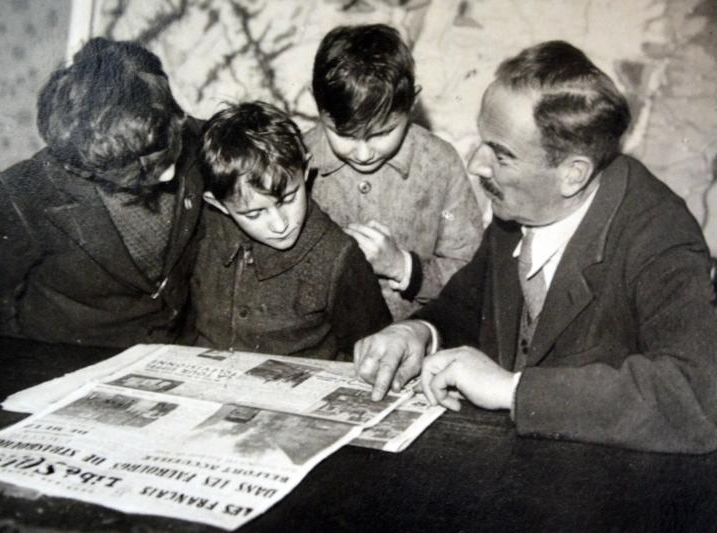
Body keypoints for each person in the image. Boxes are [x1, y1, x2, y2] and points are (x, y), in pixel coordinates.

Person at [354, 40, 717, 453]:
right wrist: (418, 332)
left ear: (573, 174)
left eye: (502, 155)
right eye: (483, 141)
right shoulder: (521, 208)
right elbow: (470, 305)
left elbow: (699, 394)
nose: (476, 164)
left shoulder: (660, 235)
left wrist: (513, 390)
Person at [0, 38, 204, 348]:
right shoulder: (23, 193)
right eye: (142, 166)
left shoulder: (188, 138)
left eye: (166, 150)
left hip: (171, 355)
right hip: (68, 359)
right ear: (88, 160)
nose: (168, 173)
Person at [304, 24, 483, 321]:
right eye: (344, 135)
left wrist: (402, 267)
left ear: (412, 103)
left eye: (381, 133)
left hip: (414, 339)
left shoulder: (440, 163)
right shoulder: (298, 158)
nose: (363, 154)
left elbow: (473, 274)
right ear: (317, 103)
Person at [193, 101, 391, 360]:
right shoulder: (205, 232)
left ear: (306, 170)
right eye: (254, 213)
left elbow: (376, 348)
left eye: (288, 199)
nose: (280, 225)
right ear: (218, 204)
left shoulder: (338, 256)